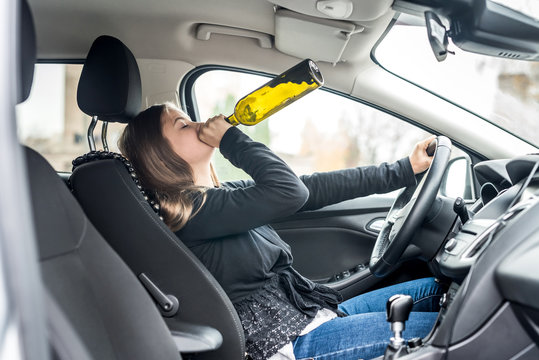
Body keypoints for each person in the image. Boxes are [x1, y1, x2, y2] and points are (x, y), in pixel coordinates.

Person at [119, 102, 444, 360]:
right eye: (183, 125)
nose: (198, 124)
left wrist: (404, 169)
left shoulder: (219, 198)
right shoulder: (194, 213)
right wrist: (230, 138)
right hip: (294, 345)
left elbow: (311, 189)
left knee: (437, 291)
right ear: (159, 154)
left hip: (311, 317)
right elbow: (289, 191)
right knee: (452, 329)